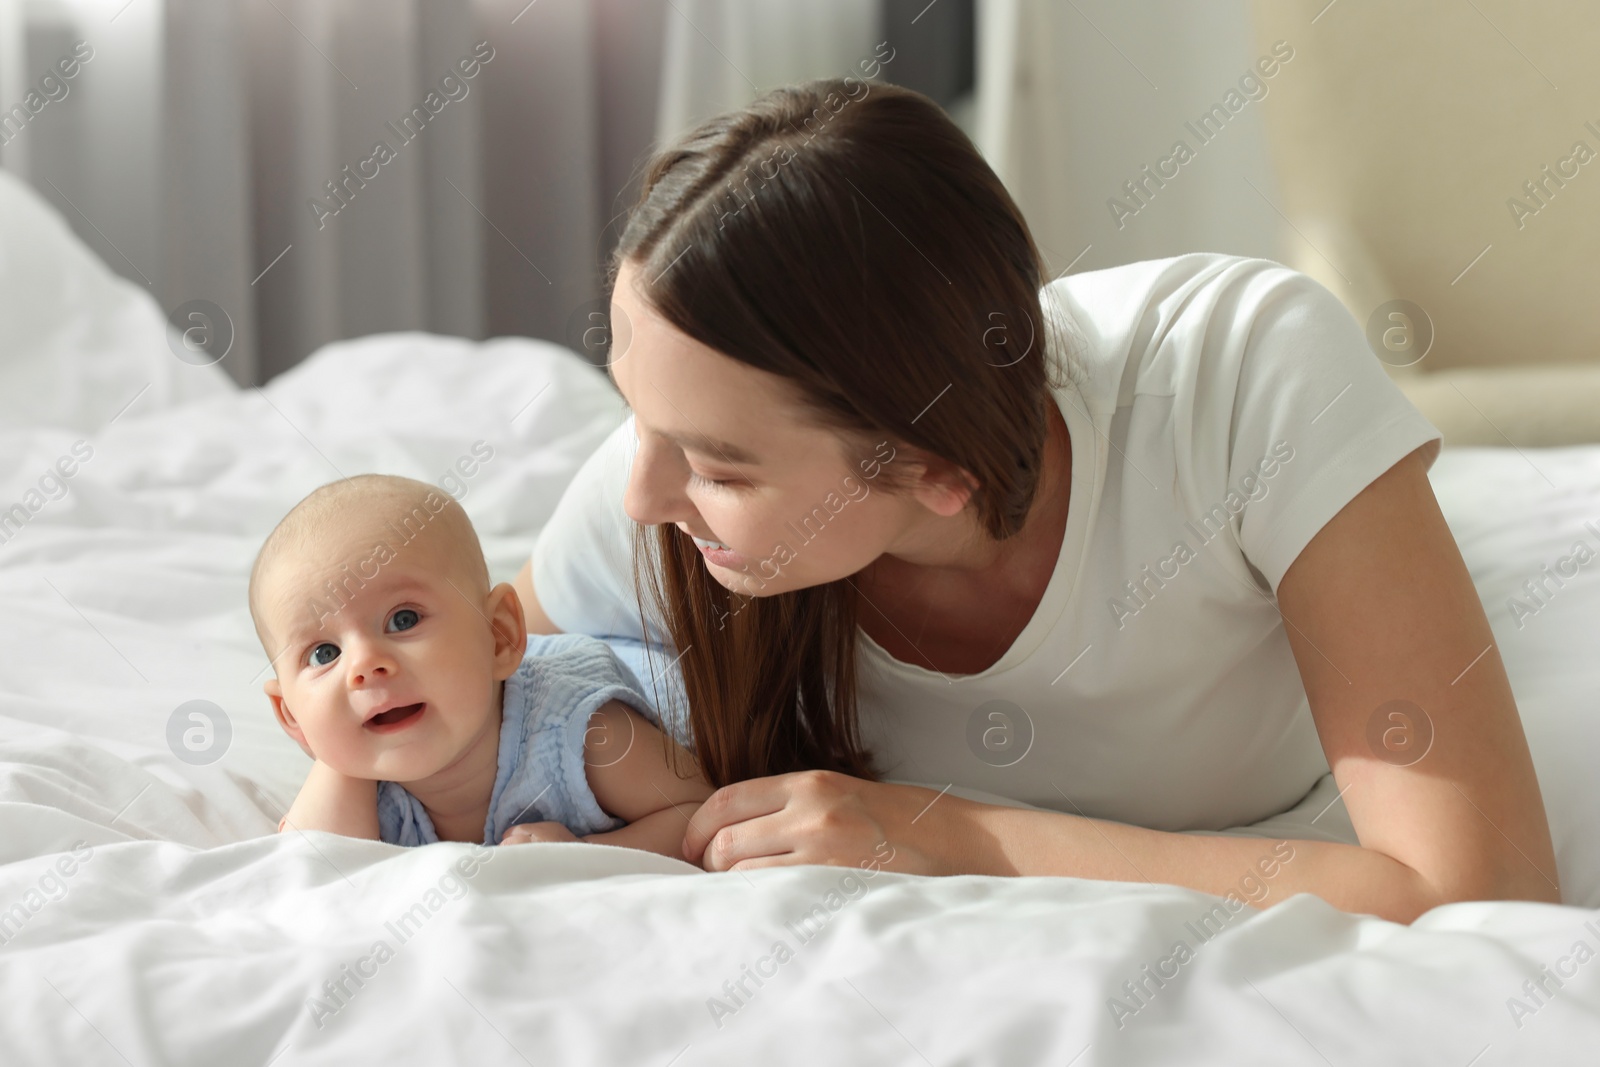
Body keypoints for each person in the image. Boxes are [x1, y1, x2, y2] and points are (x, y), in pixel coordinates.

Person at [514, 78, 1560, 921]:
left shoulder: (1243, 378)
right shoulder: (665, 474)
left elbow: (1472, 886)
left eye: (720, 468)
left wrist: (956, 835)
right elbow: (465, 662)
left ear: (935, 473)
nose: (643, 495)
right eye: (633, 411)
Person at [249, 473, 712, 856]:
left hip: (664, 670)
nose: (365, 666)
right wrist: (335, 747)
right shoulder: (358, 770)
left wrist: (585, 850)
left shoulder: (580, 727)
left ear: (498, 636)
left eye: (402, 619)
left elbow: (697, 814)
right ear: (291, 715)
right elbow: (309, 871)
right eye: (324, 654)